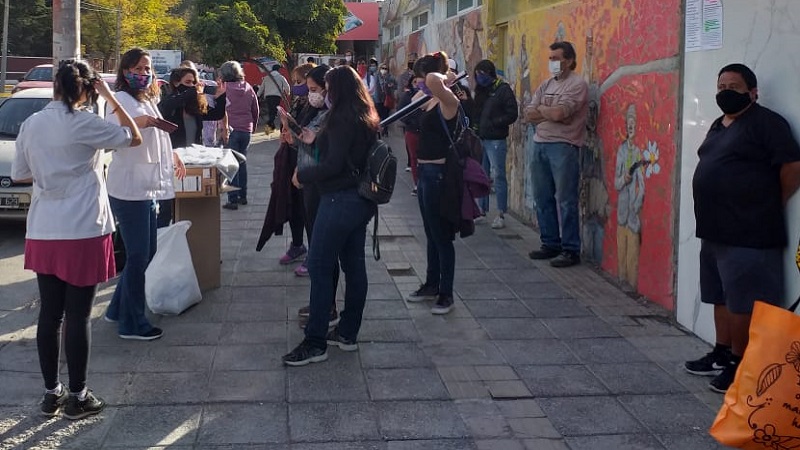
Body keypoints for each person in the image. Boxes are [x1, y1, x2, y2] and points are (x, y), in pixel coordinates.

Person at [12, 60, 142, 420]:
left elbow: (20, 174)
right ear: (87, 89)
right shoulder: (86, 122)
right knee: (78, 315)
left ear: (55, 86)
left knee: (49, 315)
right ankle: (78, 395)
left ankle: (50, 393)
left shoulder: (32, 124)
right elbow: (134, 136)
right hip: (83, 227)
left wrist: (50, 172)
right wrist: (110, 98)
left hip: (43, 228)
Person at [684, 63, 800, 393]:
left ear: (753, 92)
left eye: (733, 86)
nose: (725, 92)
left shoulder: (766, 123)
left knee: (744, 302)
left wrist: (771, 201)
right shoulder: (719, 125)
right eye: (721, 86)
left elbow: (792, 166)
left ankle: (742, 361)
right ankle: (722, 352)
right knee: (719, 295)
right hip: (714, 230)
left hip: (750, 232)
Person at [282, 65, 380, 366]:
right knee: (354, 266)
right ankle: (348, 333)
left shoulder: (340, 118)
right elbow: (345, 153)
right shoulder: (364, 115)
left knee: (321, 267)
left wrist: (303, 175)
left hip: (338, 199)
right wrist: (312, 138)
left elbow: (334, 165)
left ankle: (315, 341)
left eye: (326, 87)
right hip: (360, 201)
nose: (322, 93)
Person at [105, 47, 186, 341]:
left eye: (146, 68)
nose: (143, 74)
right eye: (137, 69)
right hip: (130, 189)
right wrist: (147, 122)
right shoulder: (120, 101)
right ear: (125, 72)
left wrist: (173, 154)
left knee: (146, 253)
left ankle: (117, 309)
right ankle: (132, 322)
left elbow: (159, 134)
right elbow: (121, 128)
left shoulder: (147, 98)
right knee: (139, 256)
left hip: (148, 185)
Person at [405, 52, 460, 315]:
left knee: (442, 236)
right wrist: (430, 83)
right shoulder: (427, 99)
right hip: (425, 173)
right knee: (430, 234)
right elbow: (413, 100)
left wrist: (444, 76)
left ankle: (446, 293)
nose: (418, 82)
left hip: (440, 175)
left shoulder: (448, 101)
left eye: (420, 77)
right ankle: (431, 283)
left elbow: (433, 81)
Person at [524, 41, 588, 268]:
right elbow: (529, 113)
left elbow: (561, 112)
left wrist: (546, 111)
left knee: (566, 200)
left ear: (569, 60)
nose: (552, 63)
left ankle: (570, 250)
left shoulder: (577, 85)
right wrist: (547, 113)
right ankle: (550, 243)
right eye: (550, 58)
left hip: (564, 146)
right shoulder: (546, 84)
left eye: (557, 58)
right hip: (539, 144)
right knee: (542, 198)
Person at [156, 66, 227, 227]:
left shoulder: (195, 103)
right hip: (170, 162)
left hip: (191, 162)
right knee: (166, 208)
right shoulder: (169, 102)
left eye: (194, 82)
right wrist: (193, 91)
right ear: (175, 82)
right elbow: (165, 108)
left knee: (187, 207)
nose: (193, 86)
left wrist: (221, 96)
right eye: (188, 82)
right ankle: (159, 244)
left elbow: (215, 114)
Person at [278, 63, 315, 272]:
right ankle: (297, 244)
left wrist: (293, 136)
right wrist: (285, 129)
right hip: (292, 158)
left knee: (308, 209)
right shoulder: (298, 102)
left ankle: (313, 253)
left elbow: (309, 137)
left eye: (300, 82)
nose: (296, 87)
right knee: (294, 207)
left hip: (307, 163)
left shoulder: (318, 106)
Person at [472, 59, 518, 229]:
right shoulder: (482, 90)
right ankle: (481, 210)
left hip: (496, 139)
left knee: (498, 175)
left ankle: (501, 213)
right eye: (477, 75)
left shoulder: (503, 90)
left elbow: (512, 113)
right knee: (482, 175)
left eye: (482, 74)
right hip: (482, 138)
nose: (479, 78)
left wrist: (495, 122)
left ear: (490, 73)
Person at [221, 60, 259, 210]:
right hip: (246, 130)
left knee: (231, 165)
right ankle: (243, 196)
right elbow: (255, 109)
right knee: (242, 163)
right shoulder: (248, 87)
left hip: (230, 130)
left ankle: (232, 198)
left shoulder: (224, 88)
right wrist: (253, 127)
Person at [614, 105, 645, 289]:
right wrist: (624, 179)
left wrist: (637, 203)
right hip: (621, 214)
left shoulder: (639, 153)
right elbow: (616, 183)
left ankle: (632, 290)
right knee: (621, 258)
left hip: (633, 216)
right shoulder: (622, 151)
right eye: (628, 124)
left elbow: (642, 185)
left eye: (633, 124)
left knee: (633, 258)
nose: (631, 128)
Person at [398, 73, 423, 195]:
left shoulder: (426, 96)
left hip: (424, 132)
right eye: (415, 82)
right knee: (414, 158)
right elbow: (401, 112)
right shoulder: (407, 96)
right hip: (412, 131)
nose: (417, 85)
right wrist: (411, 121)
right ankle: (417, 183)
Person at [259, 63, 290, 133]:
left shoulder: (266, 77)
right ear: (278, 69)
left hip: (268, 97)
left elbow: (261, 88)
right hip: (277, 97)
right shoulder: (281, 77)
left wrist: (257, 95)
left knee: (271, 111)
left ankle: (271, 127)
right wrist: (288, 93)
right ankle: (269, 127)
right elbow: (287, 87)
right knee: (274, 112)